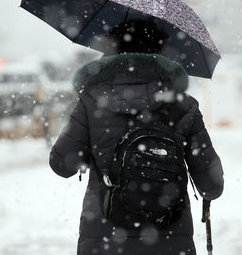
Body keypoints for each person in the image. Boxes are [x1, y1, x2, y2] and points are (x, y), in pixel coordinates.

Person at [49, 19, 225, 255]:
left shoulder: (92, 101)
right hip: (170, 239)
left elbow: (61, 165)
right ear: (162, 52)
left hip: (105, 239)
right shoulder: (184, 106)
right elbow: (212, 185)